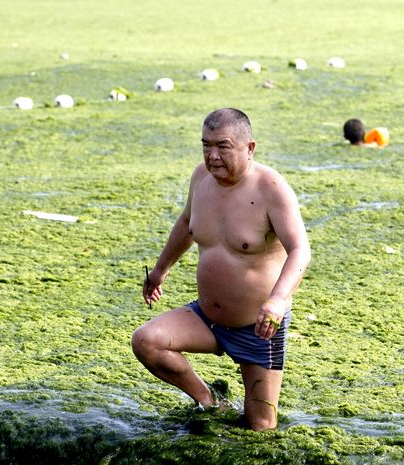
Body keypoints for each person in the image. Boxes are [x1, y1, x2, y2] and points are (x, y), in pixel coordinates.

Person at [132, 108, 311, 431]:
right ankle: (210, 400)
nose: (212, 156)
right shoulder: (201, 177)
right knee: (146, 341)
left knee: (261, 426)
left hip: (258, 327)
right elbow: (187, 224)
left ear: (249, 148)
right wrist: (160, 270)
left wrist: (278, 300)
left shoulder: (271, 188)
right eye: (206, 145)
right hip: (208, 317)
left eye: (223, 146)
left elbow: (301, 250)